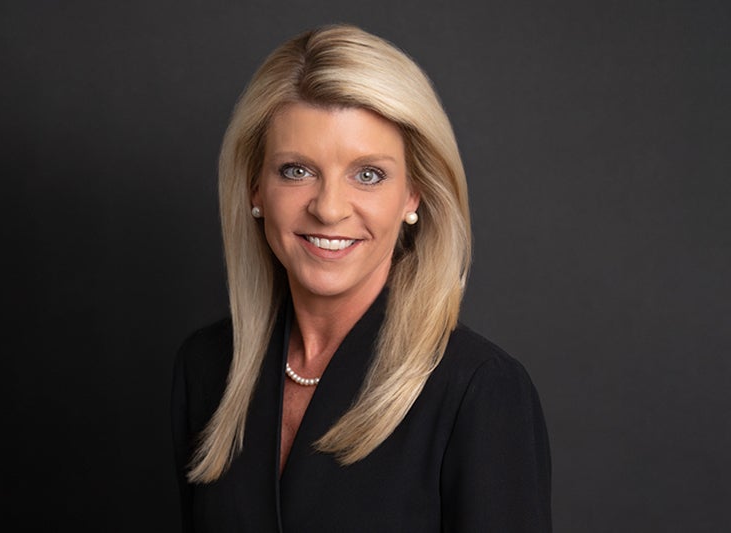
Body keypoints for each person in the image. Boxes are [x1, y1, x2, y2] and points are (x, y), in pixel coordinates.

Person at [171, 24, 551, 532]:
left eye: (367, 174)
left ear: (413, 195)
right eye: (296, 170)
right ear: (253, 187)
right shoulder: (206, 368)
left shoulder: (479, 391)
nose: (329, 209)